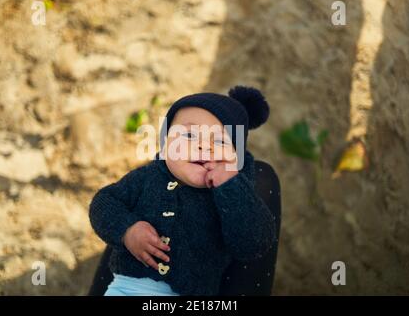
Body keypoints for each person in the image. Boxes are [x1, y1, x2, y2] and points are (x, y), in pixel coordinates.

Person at [89, 86, 277, 296]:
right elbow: (104, 202)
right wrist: (127, 230)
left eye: (220, 141)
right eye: (188, 135)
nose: (204, 147)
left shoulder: (236, 192)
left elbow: (254, 244)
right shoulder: (146, 177)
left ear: (237, 159)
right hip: (126, 289)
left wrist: (232, 186)